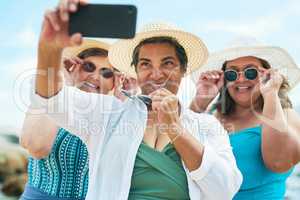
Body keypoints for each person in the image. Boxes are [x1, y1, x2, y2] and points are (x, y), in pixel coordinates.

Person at [30, 0, 242, 199]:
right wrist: (49, 48)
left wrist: (175, 128)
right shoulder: (108, 114)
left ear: (183, 69)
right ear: (136, 71)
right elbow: (51, 98)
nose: (156, 74)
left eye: (167, 63)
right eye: (145, 64)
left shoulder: (206, 125)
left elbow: (224, 190)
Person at [20, 39, 131, 200]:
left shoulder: (113, 116)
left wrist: (122, 102)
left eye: (106, 73)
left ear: (113, 82)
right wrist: (64, 83)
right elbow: (37, 146)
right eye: (88, 67)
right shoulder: (44, 97)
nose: (95, 77)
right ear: (75, 67)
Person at [190, 40, 300, 200]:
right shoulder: (212, 114)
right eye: (232, 74)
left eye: (250, 72)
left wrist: (270, 94)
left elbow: (278, 163)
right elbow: (176, 151)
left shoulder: (286, 114)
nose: (240, 79)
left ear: (267, 74)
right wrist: (201, 101)